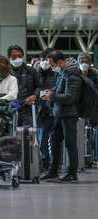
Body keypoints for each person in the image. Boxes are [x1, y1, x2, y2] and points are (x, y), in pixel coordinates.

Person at [40, 50, 82, 182]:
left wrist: (52, 96)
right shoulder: (62, 73)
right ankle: (53, 171)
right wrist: (51, 92)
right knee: (54, 141)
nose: (52, 67)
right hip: (59, 113)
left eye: (53, 64)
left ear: (59, 62)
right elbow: (59, 90)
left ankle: (72, 173)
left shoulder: (73, 75)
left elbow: (70, 98)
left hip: (69, 115)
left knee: (70, 143)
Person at [35, 48, 58, 172]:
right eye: (43, 59)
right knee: (41, 138)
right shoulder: (35, 74)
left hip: (53, 111)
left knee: (53, 139)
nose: (45, 62)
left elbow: (57, 90)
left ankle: (53, 163)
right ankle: (45, 162)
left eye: (47, 59)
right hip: (39, 111)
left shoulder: (56, 74)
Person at [8, 45, 39, 126]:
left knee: (27, 133)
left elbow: (39, 86)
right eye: (14, 56)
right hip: (11, 106)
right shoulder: (6, 72)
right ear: (9, 57)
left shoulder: (31, 71)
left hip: (27, 107)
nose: (17, 59)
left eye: (19, 56)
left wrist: (34, 95)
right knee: (11, 132)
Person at [77, 52, 98, 126]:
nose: (84, 64)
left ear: (90, 63)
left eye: (86, 62)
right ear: (78, 62)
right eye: (82, 62)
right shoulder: (74, 75)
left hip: (92, 110)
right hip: (78, 110)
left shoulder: (95, 75)